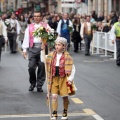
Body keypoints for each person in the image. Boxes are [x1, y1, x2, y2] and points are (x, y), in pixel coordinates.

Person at [46, 37, 76, 119]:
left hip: (63, 79)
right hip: (54, 78)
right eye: (56, 45)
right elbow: (44, 60)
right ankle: (54, 113)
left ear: (64, 46)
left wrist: (70, 79)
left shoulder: (67, 57)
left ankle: (65, 112)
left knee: (65, 96)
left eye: (59, 45)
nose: (56, 46)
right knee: (54, 96)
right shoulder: (51, 55)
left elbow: (72, 69)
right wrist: (42, 49)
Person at [22, 11, 51, 92]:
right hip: (32, 48)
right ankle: (32, 83)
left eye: (38, 16)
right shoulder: (30, 27)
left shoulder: (46, 26)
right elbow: (26, 38)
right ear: (33, 17)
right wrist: (24, 50)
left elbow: (51, 35)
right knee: (31, 67)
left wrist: (47, 42)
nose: (36, 18)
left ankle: (39, 85)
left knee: (42, 67)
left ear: (41, 17)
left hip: (42, 49)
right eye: (35, 16)